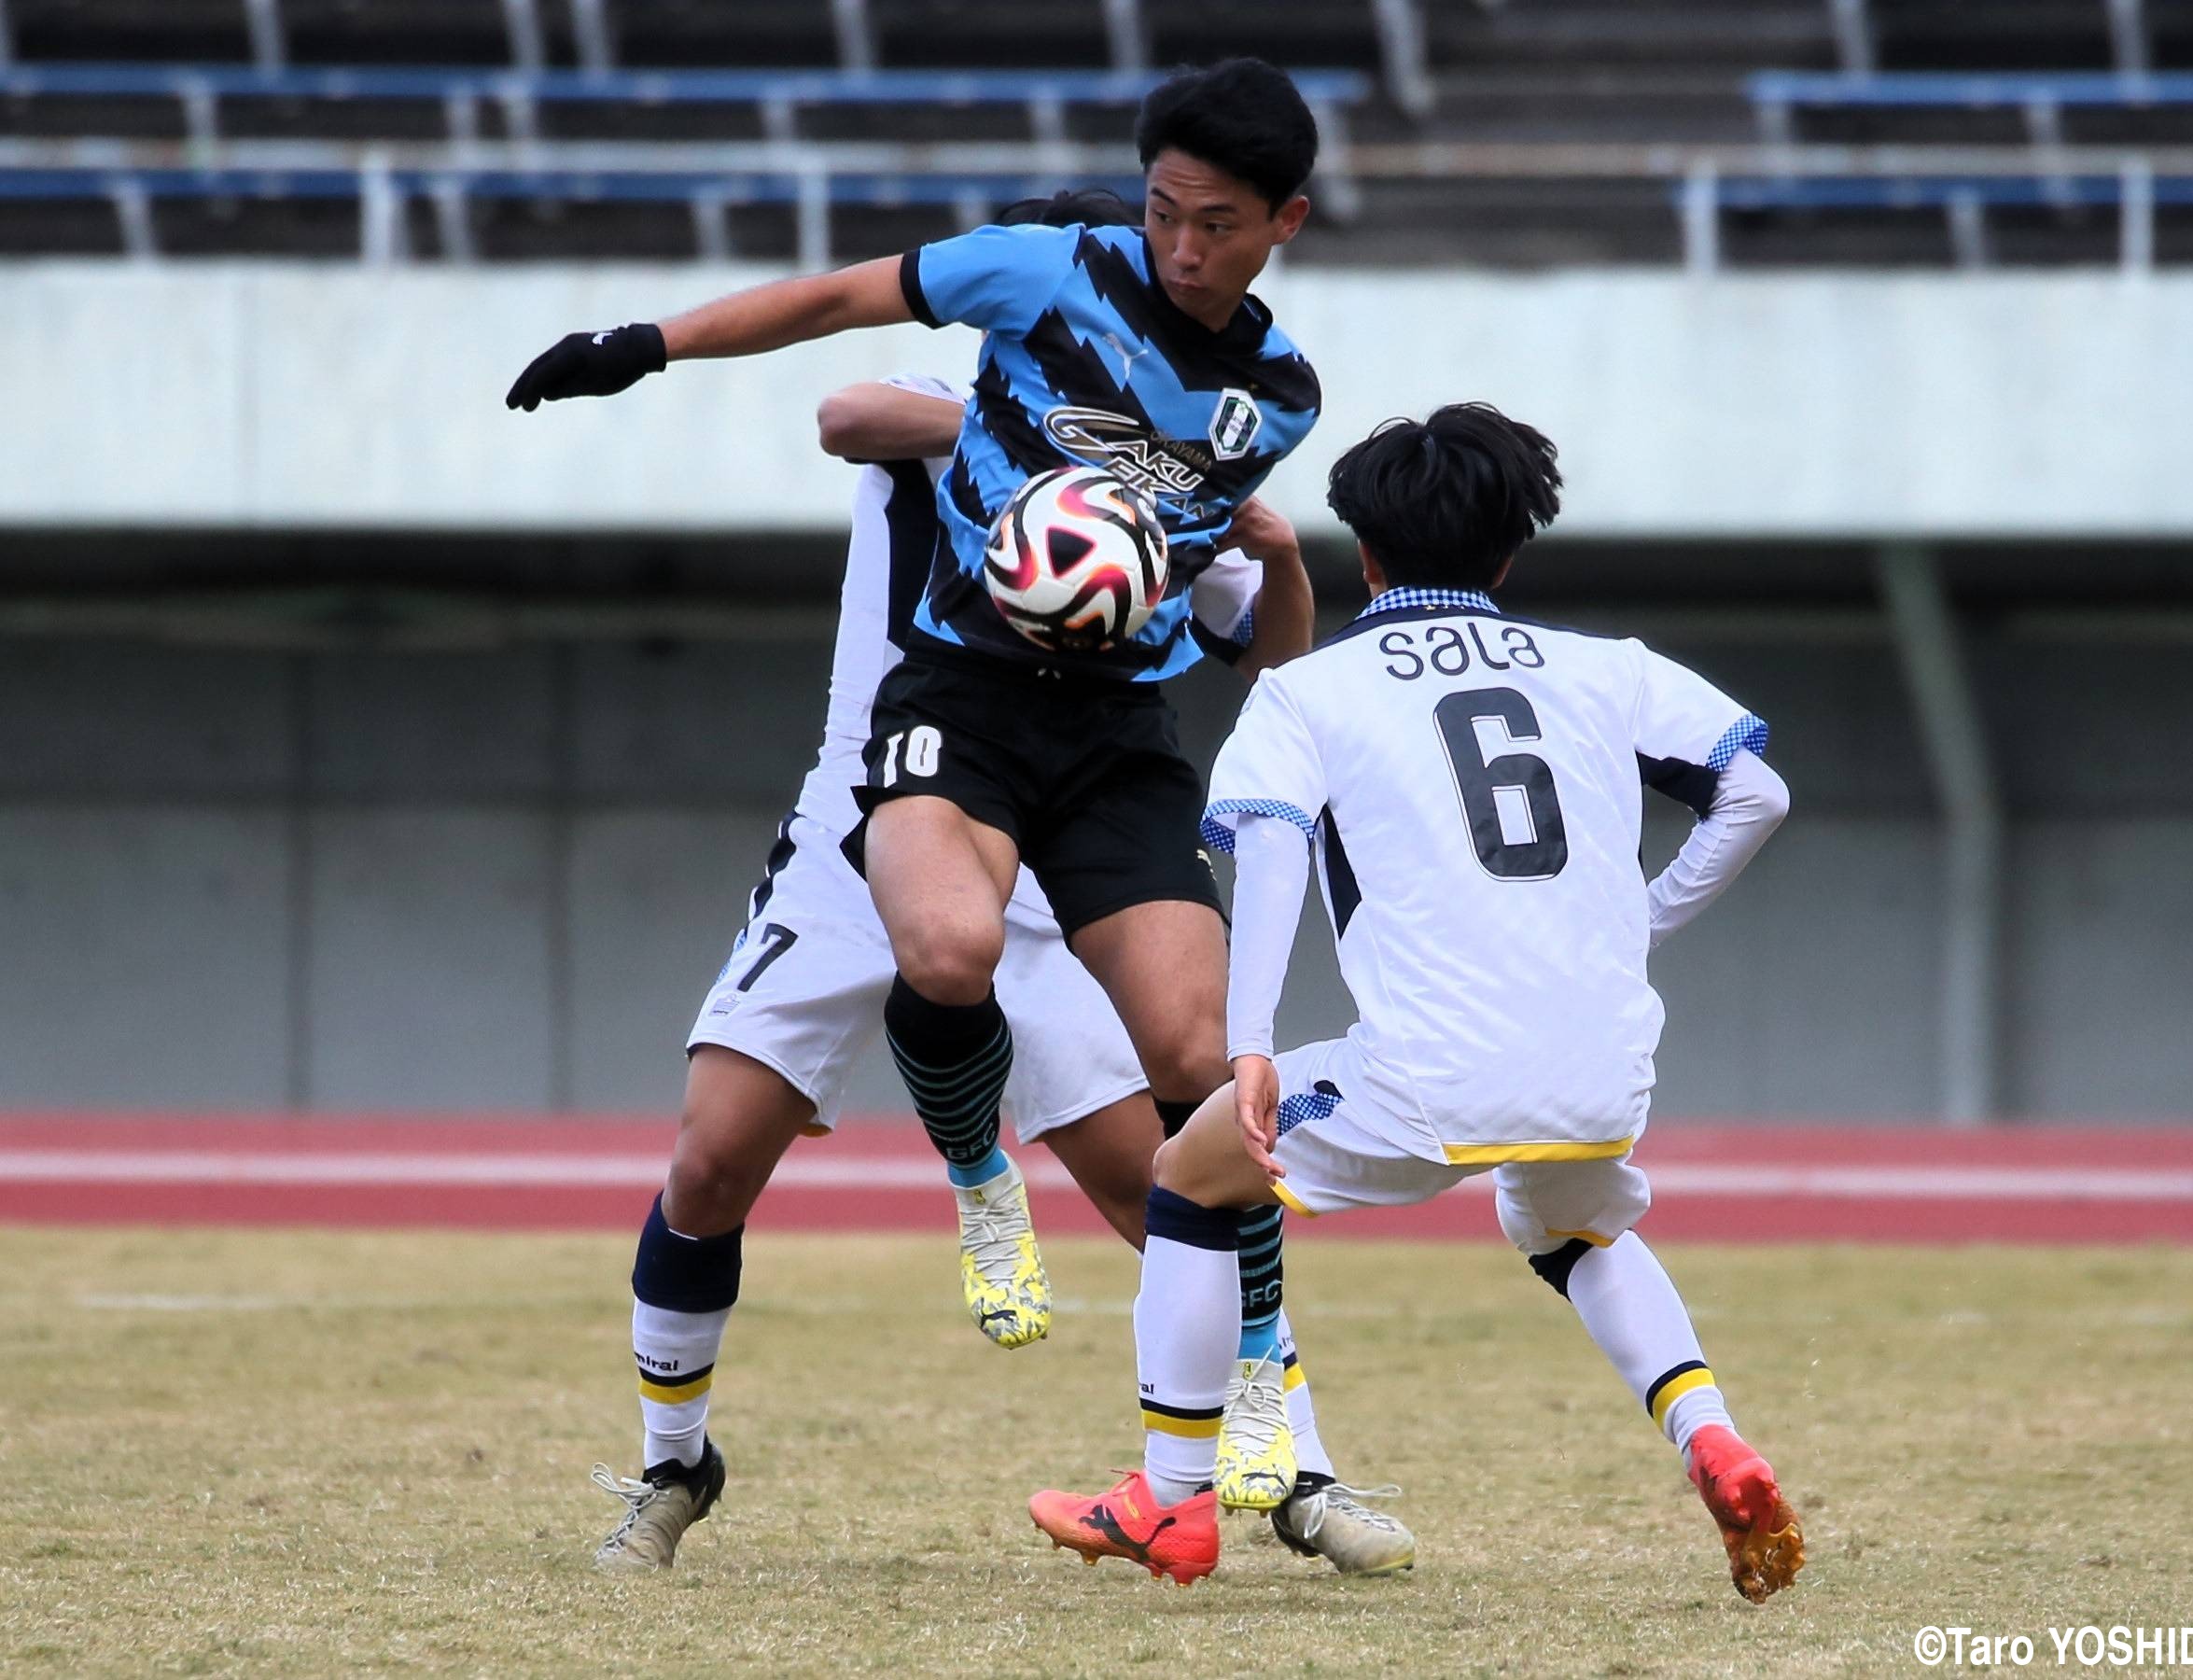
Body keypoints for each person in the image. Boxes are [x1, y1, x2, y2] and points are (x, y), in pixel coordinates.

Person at [510, 61, 1331, 1516]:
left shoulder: (1261, 409)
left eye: (1209, 225)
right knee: (721, 1148)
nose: (1176, 251)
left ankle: (1286, 1441)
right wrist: (644, 343)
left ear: (1280, 224)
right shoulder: (989, 346)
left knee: (1198, 1096)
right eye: (1155, 220)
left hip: (1106, 756)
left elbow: (1250, 649)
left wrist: (1252, 549)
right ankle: (683, 1451)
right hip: (918, 762)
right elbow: (845, 392)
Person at [1028, 402, 1807, 1603]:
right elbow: (1756, 792)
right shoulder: (1612, 669)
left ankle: (1171, 1503)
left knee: (1187, 1179)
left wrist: (1248, 1054)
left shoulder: (1310, 694)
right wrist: (1639, 922)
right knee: (1572, 1227)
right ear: (1506, 555)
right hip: (1602, 1062)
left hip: (1423, 1070)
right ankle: (1711, 1435)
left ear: (1367, 555)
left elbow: (1271, 851)